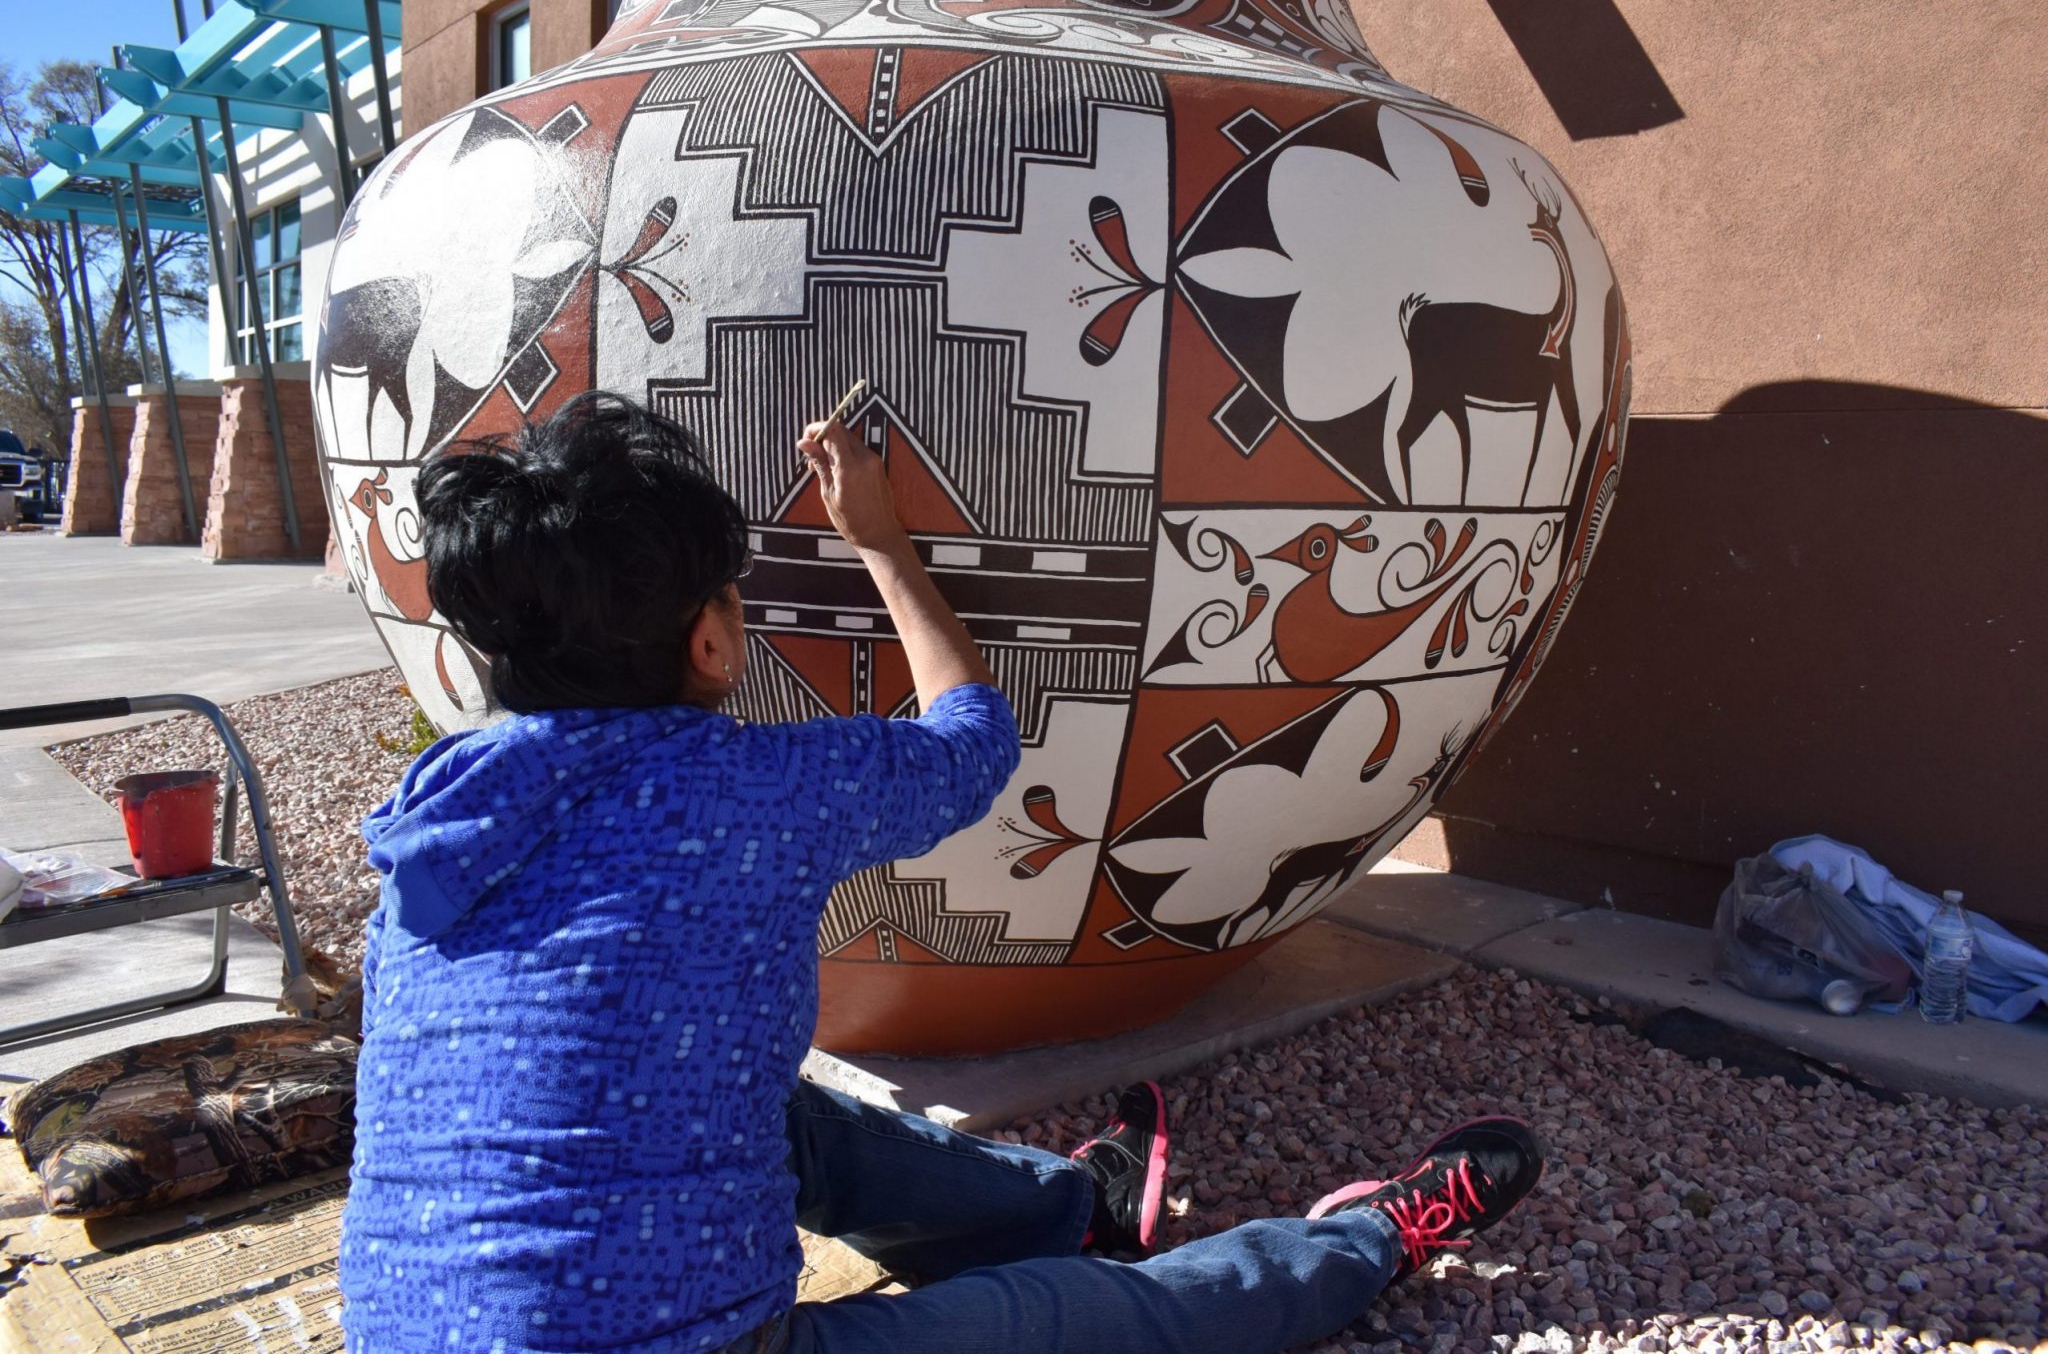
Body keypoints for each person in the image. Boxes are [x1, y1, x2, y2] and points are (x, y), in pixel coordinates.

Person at [337, 392, 1544, 1353]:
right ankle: (1368, 1240)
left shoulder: (434, 828)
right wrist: (880, 540)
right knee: (1117, 1324)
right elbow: (971, 743)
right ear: (710, 641)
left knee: (759, 1106)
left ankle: (1068, 1208)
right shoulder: (742, 790)